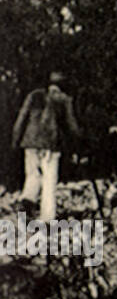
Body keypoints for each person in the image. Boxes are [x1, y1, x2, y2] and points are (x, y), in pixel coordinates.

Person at [11, 72, 80, 222]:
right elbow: (72, 126)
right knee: (49, 180)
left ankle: (27, 201)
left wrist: (16, 141)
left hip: (30, 142)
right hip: (50, 145)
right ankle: (47, 217)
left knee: (33, 175)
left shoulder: (33, 96)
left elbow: (21, 119)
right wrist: (79, 143)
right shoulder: (64, 100)